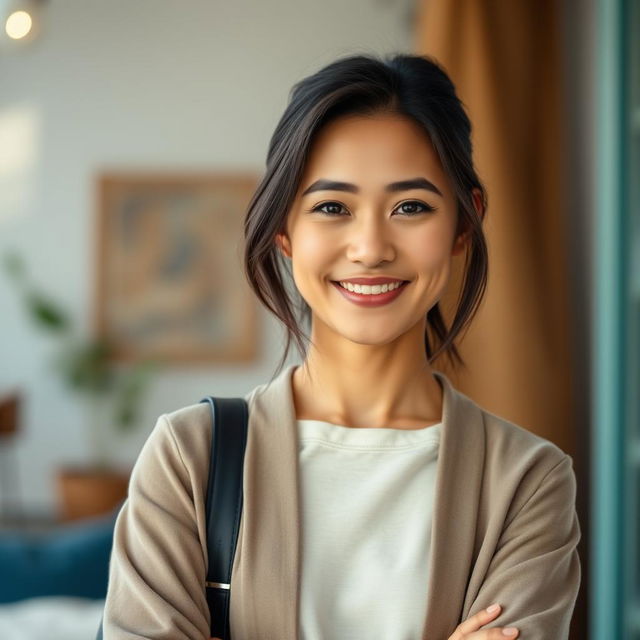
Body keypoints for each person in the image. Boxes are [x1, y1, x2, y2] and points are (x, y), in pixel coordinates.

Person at [101, 52, 581, 639]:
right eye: (332, 207)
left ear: (464, 223)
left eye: (411, 207)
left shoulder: (527, 482)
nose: (370, 247)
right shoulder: (189, 458)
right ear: (284, 229)